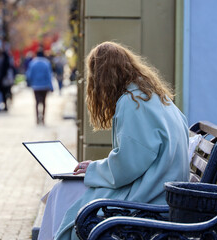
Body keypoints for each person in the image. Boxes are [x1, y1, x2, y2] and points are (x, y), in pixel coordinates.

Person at [38, 41, 190, 240]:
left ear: (102, 77)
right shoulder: (154, 96)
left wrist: (93, 170)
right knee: (65, 192)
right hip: (162, 191)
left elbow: (127, 166)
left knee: (64, 192)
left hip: (148, 198)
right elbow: (135, 158)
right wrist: (95, 168)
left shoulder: (132, 102)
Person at [26, 48, 53, 125]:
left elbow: (29, 75)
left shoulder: (32, 63)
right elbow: (49, 75)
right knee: (44, 102)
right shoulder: (46, 63)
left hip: (36, 86)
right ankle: (43, 118)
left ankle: (37, 118)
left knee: (37, 102)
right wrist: (51, 86)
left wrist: (30, 83)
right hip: (44, 86)